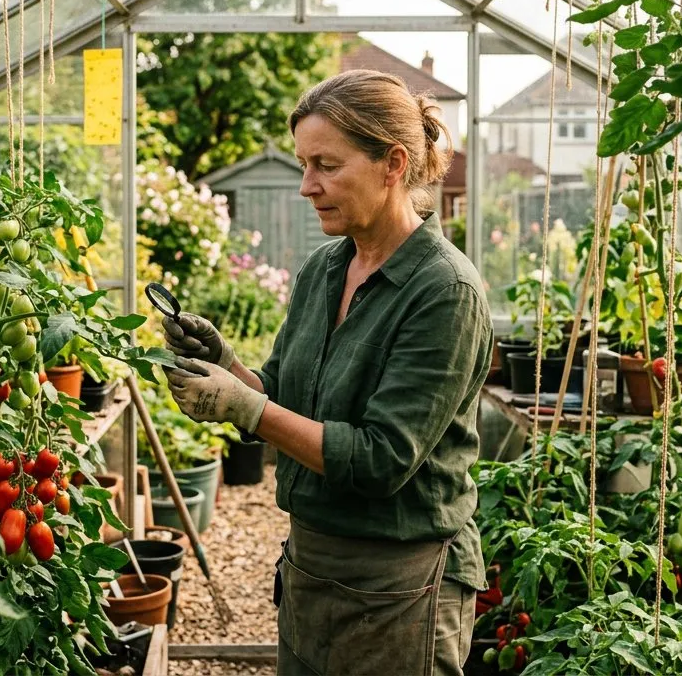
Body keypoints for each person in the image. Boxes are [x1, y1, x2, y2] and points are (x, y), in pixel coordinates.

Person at [162, 69, 493, 676]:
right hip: (310, 568)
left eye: (327, 165)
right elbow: (285, 397)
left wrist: (245, 407)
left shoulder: (444, 291)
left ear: (393, 163)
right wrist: (226, 366)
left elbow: (380, 460)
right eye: (303, 164)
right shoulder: (323, 270)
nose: (306, 185)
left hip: (400, 585)